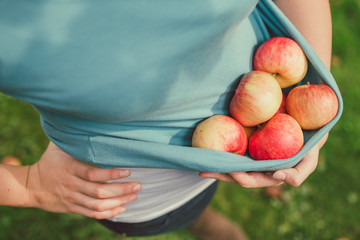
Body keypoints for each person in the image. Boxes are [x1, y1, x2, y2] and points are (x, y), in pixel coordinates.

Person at [0, 0, 333, 239]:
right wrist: (29, 187)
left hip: (257, 133)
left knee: (198, 203)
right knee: (175, 215)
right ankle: (194, 221)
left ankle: (199, 219)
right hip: (141, 192)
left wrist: (312, 106)